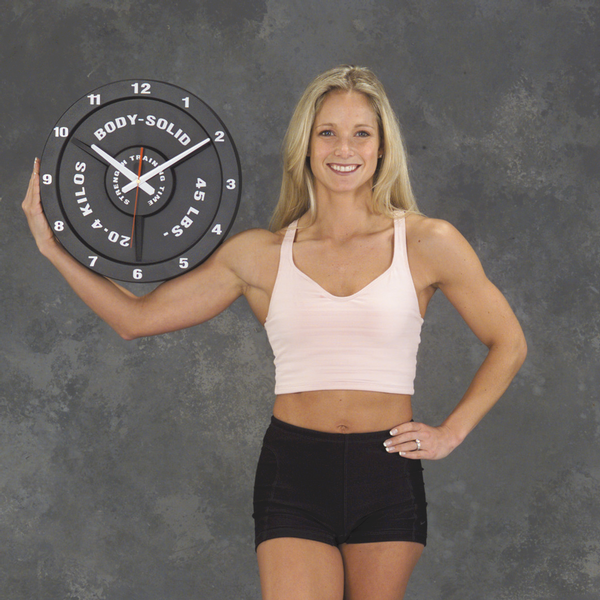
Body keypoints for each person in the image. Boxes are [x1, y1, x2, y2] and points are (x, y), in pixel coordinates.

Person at [22, 65, 527, 600]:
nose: (344, 149)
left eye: (361, 133)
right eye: (327, 132)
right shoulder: (258, 255)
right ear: (305, 144)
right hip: (295, 472)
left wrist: (451, 432)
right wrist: (52, 249)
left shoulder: (428, 242)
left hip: (387, 476)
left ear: (382, 148)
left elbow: (509, 343)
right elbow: (135, 320)